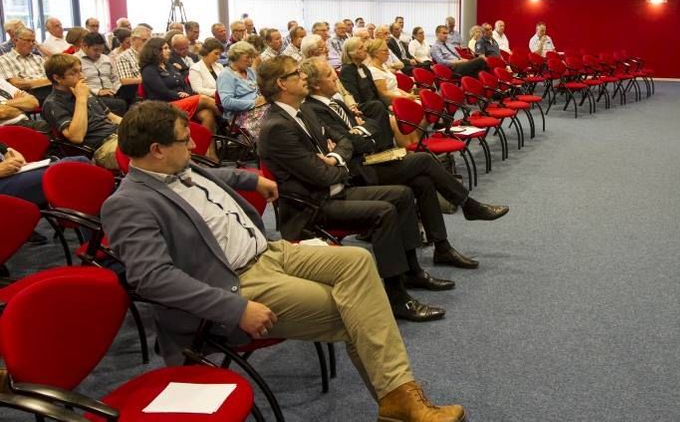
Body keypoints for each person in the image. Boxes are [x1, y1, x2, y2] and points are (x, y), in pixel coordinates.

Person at [102, 102, 465, 422]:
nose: (195, 143)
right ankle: (399, 401)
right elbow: (153, 279)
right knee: (359, 311)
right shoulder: (128, 204)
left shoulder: (181, 168)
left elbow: (213, 175)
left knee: (356, 260)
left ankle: (398, 401)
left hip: (269, 252)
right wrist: (235, 307)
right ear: (157, 150)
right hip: (234, 282)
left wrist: (252, 179)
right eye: (185, 139)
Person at [256, 56, 450, 322]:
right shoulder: (277, 127)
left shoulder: (303, 110)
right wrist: (339, 162)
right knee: (384, 211)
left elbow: (343, 142)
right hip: (312, 207)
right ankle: (396, 298)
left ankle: (412, 272)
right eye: (296, 73)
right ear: (282, 83)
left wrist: (336, 157)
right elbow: (320, 176)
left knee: (402, 194)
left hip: (334, 190)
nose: (303, 76)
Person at [302, 58, 509, 266]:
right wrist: (362, 133)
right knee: (424, 160)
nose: (335, 76)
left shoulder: (335, 103)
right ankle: (468, 204)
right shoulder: (314, 110)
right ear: (317, 84)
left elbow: (367, 134)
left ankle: (442, 247)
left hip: (369, 160)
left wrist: (362, 132)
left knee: (423, 181)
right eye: (329, 75)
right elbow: (352, 142)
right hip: (357, 173)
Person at [138, 37, 219, 153]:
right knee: (203, 99)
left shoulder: (169, 65)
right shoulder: (149, 70)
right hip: (164, 106)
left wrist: (187, 94)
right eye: (165, 48)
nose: (169, 51)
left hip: (182, 101)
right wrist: (180, 96)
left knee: (207, 114)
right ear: (155, 51)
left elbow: (184, 83)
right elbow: (162, 91)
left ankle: (208, 152)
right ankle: (229, 118)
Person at [41, 54, 121, 171]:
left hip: (118, 135)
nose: (82, 76)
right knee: (145, 152)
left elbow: (112, 117)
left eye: (81, 71)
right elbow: (76, 137)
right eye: (74, 73)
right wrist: (81, 99)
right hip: (100, 148)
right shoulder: (53, 103)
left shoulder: (82, 89)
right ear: (57, 78)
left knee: (153, 135)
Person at [217, 41, 267, 138]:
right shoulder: (226, 75)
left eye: (252, 57)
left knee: (280, 113)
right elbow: (226, 102)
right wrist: (253, 103)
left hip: (258, 109)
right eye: (247, 57)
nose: (251, 61)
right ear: (236, 57)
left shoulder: (250, 71)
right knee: (272, 122)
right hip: (239, 116)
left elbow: (259, 89)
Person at [78, 32, 126, 116]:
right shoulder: (75, 61)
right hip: (91, 96)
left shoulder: (106, 59)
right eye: (95, 50)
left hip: (112, 93)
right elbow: (77, 85)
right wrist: (98, 92)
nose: (99, 53)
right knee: (120, 104)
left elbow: (115, 78)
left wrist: (115, 90)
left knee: (130, 97)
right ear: (84, 46)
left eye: (101, 50)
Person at [0, 27, 52, 103]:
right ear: (15, 40)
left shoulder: (39, 58)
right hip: (29, 95)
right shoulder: (4, 60)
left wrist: (31, 82)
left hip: (50, 91)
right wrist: (49, 81)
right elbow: (17, 84)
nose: (31, 44)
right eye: (27, 40)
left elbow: (54, 77)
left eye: (33, 41)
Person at [340, 37, 387, 106]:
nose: (365, 49)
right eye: (361, 48)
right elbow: (354, 98)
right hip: (362, 108)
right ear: (351, 53)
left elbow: (374, 91)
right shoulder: (347, 71)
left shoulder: (363, 67)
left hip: (375, 105)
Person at [115, 26, 151, 107]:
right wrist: (148, 79)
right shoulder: (123, 57)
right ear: (133, 40)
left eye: (149, 41)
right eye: (144, 40)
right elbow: (124, 80)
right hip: (136, 93)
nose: (147, 44)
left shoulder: (150, 55)